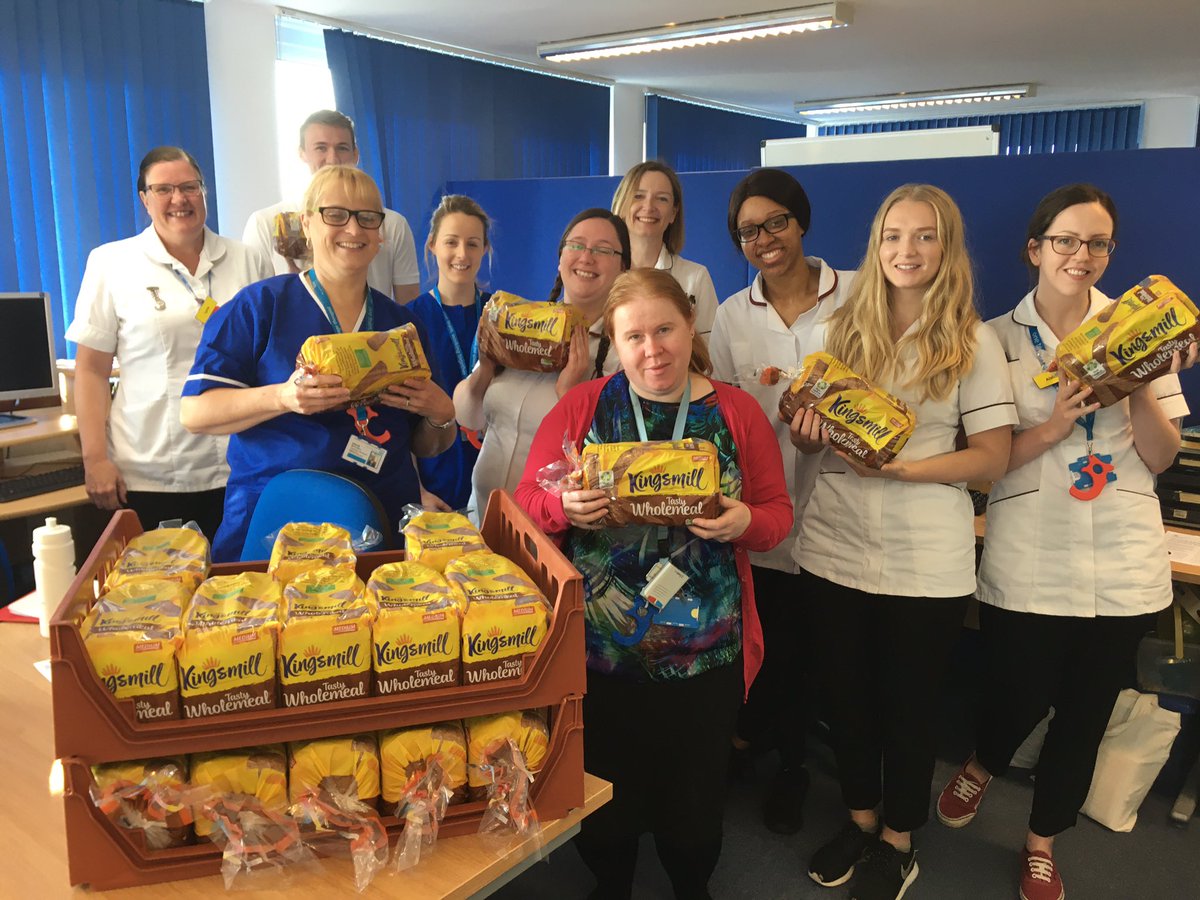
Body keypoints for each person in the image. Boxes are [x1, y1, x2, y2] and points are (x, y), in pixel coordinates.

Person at [935, 184, 1193, 900]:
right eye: (1066, 241)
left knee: (1085, 713)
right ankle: (985, 762)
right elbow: (982, 465)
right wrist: (1052, 426)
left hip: (1122, 558)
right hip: (1031, 551)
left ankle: (1042, 841)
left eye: (1097, 243)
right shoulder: (993, 340)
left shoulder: (1142, 328)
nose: (1082, 255)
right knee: (1014, 694)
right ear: (1035, 249)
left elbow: (1161, 456)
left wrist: (1136, 380)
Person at [515, 268, 793, 900]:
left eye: (664, 329)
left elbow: (778, 515)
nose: (652, 350)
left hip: (705, 659)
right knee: (603, 800)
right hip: (600, 656)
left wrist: (745, 521)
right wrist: (564, 507)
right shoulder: (585, 405)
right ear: (613, 342)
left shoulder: (736, 412)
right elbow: (527, 500)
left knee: (693, 807)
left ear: (690, 325)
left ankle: (691, 886)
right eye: (633, 336)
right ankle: (610, 884)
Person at [792, 184, 1016, 900]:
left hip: (926, 556)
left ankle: (899, 839)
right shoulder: (839, 330)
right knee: (847, 699)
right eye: (893, 236)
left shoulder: (973, 341)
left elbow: (991, 457)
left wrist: (902, 469)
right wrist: (805, 432)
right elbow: (813, 434)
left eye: (924, 236)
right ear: (876, 245)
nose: (906, 251)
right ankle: (861, 819)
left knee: (908, 709)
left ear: (947, 249)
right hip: (835, 544)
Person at [181, 166, 455, 562]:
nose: (354, 229)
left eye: (367, 217)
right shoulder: (259, 308)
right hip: (278, 523)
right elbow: (195, 413)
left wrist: (442, 415)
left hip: (380, 520)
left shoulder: (402, 326)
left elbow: (425, 445)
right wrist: (283, 398)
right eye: (336, 214)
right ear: (307, 223)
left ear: (380, 233)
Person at [709, 167, 856, 834]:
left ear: (801, 223)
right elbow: (721, 410)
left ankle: (792, 768)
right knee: (768, 645)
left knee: (817, 655)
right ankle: (752, 746)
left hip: (841, 501)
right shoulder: (732, 316)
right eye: (748, 232)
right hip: (764, 508)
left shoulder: (858, 294)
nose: (764, 239)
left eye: (776, 223)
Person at [66, 146, 270, 539]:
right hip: (150, 470)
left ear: (204, 192)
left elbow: (266, 359)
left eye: (189, 187)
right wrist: (94, 459)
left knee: (239, 577)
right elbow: (91, 370)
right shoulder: (112, 263)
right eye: (163, 189)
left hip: (240, 463)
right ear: (145, 199)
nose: (179, 199)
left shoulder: (248, 260)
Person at [454, 208, 630, 521]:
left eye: (603, 250)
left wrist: (570, 393)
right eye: (576, 245)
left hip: (550, 531)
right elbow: (467, 417)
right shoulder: (519, 324)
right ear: (560, 259)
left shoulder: (624, 353)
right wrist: (486, 369)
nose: (586, 257)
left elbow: (611, 466)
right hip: (481, 520)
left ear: (623, 268)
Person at [241, 109, 420, 303]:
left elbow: (408, 307)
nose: (333, 159)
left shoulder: (392, 224)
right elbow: (253, 304)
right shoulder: (264, 223)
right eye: (321, 148)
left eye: (342, 148)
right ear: (302, 153)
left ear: (356, 154)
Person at [406, 195, 493, 511]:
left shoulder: (504, 315)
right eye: (451, 242)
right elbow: (399, 419)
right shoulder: (408, 322)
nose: (462, 254)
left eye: (472, 244)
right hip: (436, 486)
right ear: (432, 245)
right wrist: (417, 490)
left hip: (497, 480)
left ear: (485, 249)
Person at [611, 161, 719, 337]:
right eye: (638, 196)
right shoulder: (602, 274)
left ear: (673, 213)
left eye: (662, 199)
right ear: (622, 204)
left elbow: (709, 349)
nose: (648, 207)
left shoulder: (695, 278)